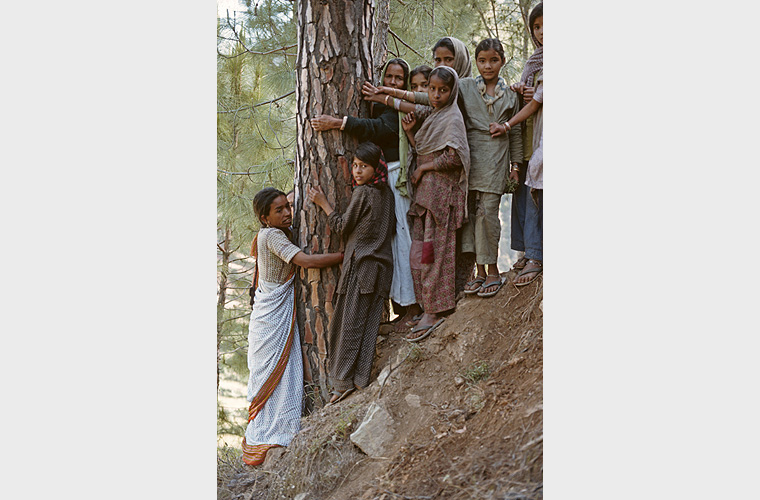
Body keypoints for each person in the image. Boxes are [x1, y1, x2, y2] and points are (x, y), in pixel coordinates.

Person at [311, 58, 421, 331]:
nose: (393, 83)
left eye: (399, 79)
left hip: (398, 177)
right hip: (385, 180)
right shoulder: (380, 103)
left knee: (403, 241)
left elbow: (379, 129)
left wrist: (339, 122)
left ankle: (414, 308)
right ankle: (404, 307)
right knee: (391, 242)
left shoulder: (396, 108)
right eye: (390, 77)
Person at [242, 187, 343, 466]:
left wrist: (299, 195)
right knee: (276, 374)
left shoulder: (270, 231)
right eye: (279, 210)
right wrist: (346, 256)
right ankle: (271, 433)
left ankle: (273, 430)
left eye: (288, 207)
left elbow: (286, 200)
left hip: (271, 312)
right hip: (271, 318)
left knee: (280, 372)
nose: (287, 213)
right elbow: (307, 261)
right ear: (265, 217)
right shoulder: (272, 235)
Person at [308, 142, 396, 403]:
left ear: (376, 168)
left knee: (348, 326)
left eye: (364, 166)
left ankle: (341, 384)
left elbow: (342, 226)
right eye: (355, 165)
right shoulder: (387, 195)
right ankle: (360, 379)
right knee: (367, 325)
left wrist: (324, 204)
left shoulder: (364, 194)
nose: (357, 171)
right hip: (381, 268)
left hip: (362, 267)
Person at [399, 66, 470, 341]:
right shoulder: (433, 116)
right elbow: (424, 149)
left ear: (452, 92)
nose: (436, 95)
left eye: (443, 90)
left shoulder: (453, 117)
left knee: (433, 253)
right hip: (424, 197)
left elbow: (454, 157)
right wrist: (410, 134)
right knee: (420, 254)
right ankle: (426, 305)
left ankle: (434, 310)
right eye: (432, 89)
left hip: (441, 200)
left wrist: (424, 169)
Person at [493, 3, 543, 287]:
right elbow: (529, 92)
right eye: (536, 27)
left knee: (537, 193)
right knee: (523, 193)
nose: (541, 32)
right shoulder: (535, 61)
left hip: (542, 136)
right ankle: (525, 251)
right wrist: (518, 89)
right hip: (527, 136)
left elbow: (539, 98)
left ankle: (537, 254)